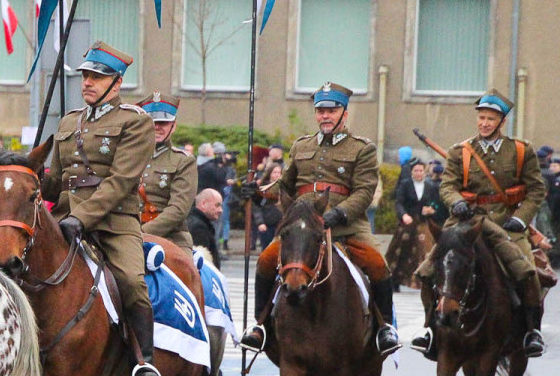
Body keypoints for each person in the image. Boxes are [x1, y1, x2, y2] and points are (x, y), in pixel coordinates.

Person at [41, 40, 166, 376]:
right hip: (66, 217)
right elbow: (56, 182)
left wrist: (83, 216)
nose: (88, 83)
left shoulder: (135, 121)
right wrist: (26, 172)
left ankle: (145, 365)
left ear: (117, 82)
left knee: (130, 279)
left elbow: (121, 181)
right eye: (86, 76)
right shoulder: (68, 122)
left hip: (113, 222)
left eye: (97, 77)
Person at [241, 82, 401, 357]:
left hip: (346, 225)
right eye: (320, 111)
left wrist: (339, 213)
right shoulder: (302, 145)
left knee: (377, 262)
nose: (325, 116)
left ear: (344, 113)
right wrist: (259, 193)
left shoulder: (362, 148)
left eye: (331, 110)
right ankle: (260, 326)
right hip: (303, 226)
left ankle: (385, 327)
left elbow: (364, 191)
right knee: (266, 259)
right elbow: (286, 187)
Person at [412, 89, 547, 358]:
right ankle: (429, 328)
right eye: (481, 117)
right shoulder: (460, 151)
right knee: (426, 271)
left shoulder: (521, 151)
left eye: (490, 119)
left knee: (527, 272)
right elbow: (448, 186)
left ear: (501, 122)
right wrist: (455, 202)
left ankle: (533, 330)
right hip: (465, 221)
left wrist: (521, 218)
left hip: (506, 224)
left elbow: (536, 190)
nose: (484, 123)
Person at [136, 93, 197, 253]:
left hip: (171, 238)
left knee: (182, 277)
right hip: (128, 234)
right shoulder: (130, 156)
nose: (157, 127)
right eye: (153, 122)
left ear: (173, 125)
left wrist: (142, 233)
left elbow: (178, 209)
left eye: (163, 122)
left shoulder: (183, 161)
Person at [386, 159, 438, 289]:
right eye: (416, 171)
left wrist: (431, 209)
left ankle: (425, 281)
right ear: (412, 172)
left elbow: (435, 203)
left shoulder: (430, 186)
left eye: (421, 170)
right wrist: (403, 215)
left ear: (424, 172)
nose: (418, 173)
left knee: (426, 250)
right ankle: (395, 280)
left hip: (423, 222)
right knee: (400, 250)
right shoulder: (405, 185)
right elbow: (399, 202)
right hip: (408, 221)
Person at [188, 188, 223, 268]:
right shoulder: (199, 228)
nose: (221, 210)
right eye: (217, 205)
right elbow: (201, 265)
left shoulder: (197, 222)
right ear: (203, 203)